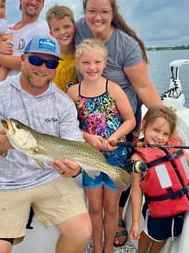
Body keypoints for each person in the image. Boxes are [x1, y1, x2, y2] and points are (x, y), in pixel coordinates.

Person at [0, 34, 92, 253]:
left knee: (81, 231)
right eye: (36, 60)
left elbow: (74, 144)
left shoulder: (63, 102)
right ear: (23, 59)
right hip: (4, 183)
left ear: (56, 67)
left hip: (50, 177)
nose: (43, 68)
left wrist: (75, 169)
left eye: (51, 63)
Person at [75, 0, 163, 247]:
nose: (97, 17)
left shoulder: (127, 45)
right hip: (89, 122)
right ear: (84, 12)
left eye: (104, 11)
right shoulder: (79, 28)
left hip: (121, 121)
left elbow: (144, 87)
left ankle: (119, 218)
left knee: (118, 177)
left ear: (113, 13)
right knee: (94, 189)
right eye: (92, 11)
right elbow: (58, 37)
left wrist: (163, 121)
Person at [67, 38, 136, 253]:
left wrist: (114, 137)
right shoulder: (73, 93)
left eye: (97, 62)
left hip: (117, 155)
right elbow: (68, 128)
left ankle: (108, 247)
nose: (92, 67)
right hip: (89, 157)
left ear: (105, 63)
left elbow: (130, 120)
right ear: (78, 64)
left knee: (110, 207)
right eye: (86, 63)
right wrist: (87, 137)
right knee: (95, 207)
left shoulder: (113, 88)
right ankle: (96, 247)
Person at [130, 105, 189, 253]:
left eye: (165, 133)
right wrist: (135, 222)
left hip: (179, 208)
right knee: (150, 235)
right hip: (157, 212)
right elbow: (136, 190)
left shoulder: (173, 148)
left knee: (163, 237)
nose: (160, 137)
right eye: (156, 130)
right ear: (144, 125)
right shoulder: (138, 158)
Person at [0, 0, 49, 77]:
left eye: (38, 0)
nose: (33, 2)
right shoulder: (6, 29)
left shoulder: (42, 29)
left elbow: (33, 64)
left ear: (42, 6)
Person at [46, 5, 78, 92]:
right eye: (56, 29)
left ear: (74, 27)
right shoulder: (51, 64)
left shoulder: (85, 55)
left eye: (67, 26)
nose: (62, 32)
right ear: (51, 33)